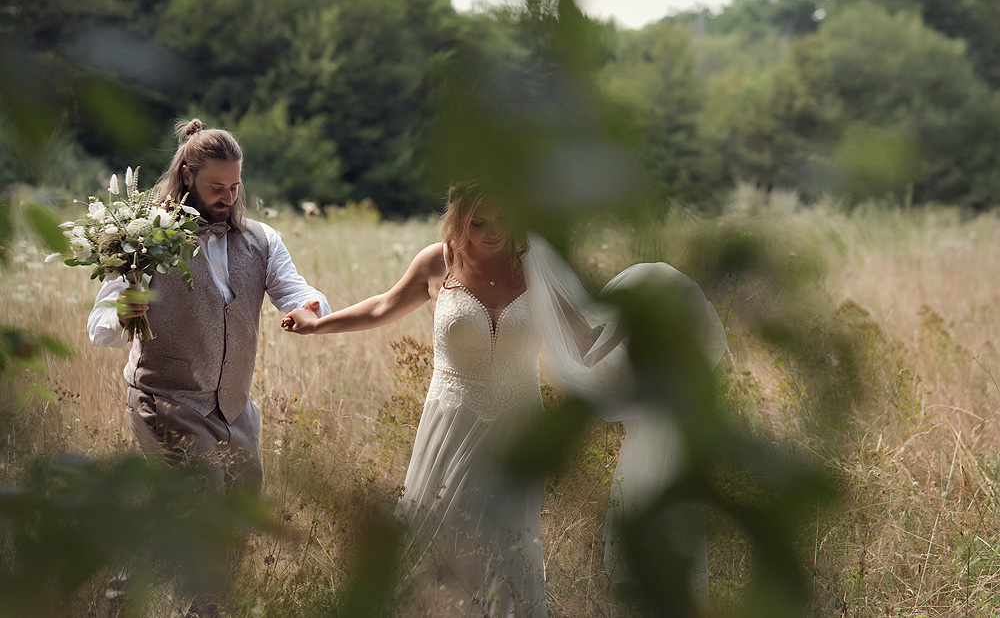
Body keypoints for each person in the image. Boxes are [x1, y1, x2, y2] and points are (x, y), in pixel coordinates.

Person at [282, 180, 727, 616]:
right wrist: (319, 324)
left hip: (518, 426)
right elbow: (383, 306)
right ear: (459, 220)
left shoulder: (538, 267)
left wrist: (649, 326)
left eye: (503, 218)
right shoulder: (437, 263)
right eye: (478, 222)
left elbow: (587, 342)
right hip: (450, 421)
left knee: (507, 544)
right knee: (433, 538)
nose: (493, 231)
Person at [88, 119, 331, 617]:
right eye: (215, 187)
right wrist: (124, 312)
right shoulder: (145, 243)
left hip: (234, 408)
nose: (226, 196)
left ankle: (120, 587)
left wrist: (308, 308)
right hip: (166, 400)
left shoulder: (262, 240)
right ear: (186, 178)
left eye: (234, 187)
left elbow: (295, 289)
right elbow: (100, 327)